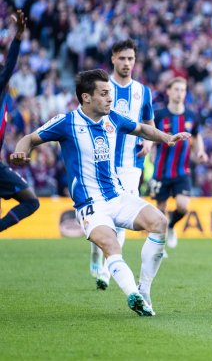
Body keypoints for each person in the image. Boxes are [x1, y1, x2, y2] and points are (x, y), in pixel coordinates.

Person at [10, 69, 190, 316]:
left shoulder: (113, 118)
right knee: (111, 244)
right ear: (86, 97)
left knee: (160, 222)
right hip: (90, 204)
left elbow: (142, 129)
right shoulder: (67, 122)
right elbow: (30, 138)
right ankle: (133, 297)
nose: (110, 99)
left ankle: (144, 290)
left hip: (117, 196)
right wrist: (21, 152)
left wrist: (167, 138)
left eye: (111, 94)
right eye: (104, 94)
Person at [90, 39, 155, 290]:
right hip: (102, 162)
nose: (127, 63)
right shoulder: (102, 88)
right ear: (113, 59)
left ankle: (107, 269)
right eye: (122, 58)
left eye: (131, 59)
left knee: (122, 218)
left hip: (131, 164)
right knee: (101, 216)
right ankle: (98, 253)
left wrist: (149, 143)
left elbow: (148, 121)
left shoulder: (143, 91)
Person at [151, 77, 207, 248]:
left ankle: (171, 225)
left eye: (182, 90)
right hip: (161, 170)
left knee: (183, 206)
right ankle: (159, 246)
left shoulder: (191, 116)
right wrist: (151, 152)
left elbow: (196, 136)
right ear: (168, 91)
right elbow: (151, 136)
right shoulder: (159, 115)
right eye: (176, 89)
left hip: (182, 171)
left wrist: (200, 151)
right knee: (160, 210)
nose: (179, 93)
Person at [0, 10, 40, 233]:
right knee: (31, 201)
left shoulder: (7, 100)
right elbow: (9, 68)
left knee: (31, 202)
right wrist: (17, 39)